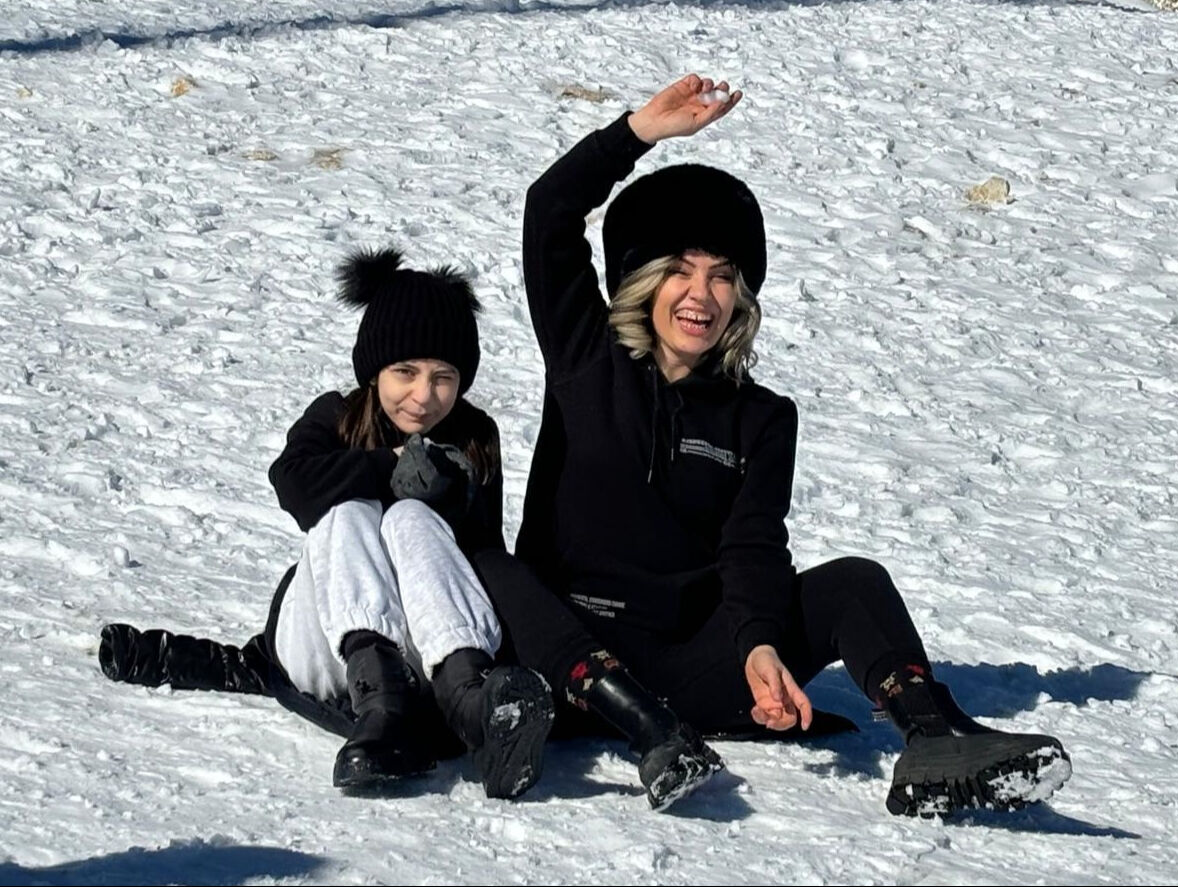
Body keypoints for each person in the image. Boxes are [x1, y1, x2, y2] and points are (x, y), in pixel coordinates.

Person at [472, 74, 1072, 816]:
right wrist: (637, 134)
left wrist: (758, 647)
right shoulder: (585, 355)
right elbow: (549, 212)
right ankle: (634, 722)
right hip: (564, 658)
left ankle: (936, 738)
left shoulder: (760, 417)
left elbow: (752, 548)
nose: (702, 294)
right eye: (681, 270)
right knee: (485, 560)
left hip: (690, 666)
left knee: (852, 580)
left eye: (723, 275)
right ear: (644, 281)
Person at [98, 248, 554, 800]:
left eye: (444, 377)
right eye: (405, 372)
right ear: (374, 371)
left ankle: (471, 701)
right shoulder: (336, 417)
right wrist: (387, 468)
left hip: (432, 651)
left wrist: (448, 499)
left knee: (412, 518)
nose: (423, 396)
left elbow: (482, 555)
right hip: (330, 652)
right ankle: (381, 705)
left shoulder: (474, 435)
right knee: (348, 510)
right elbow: (293, 484)